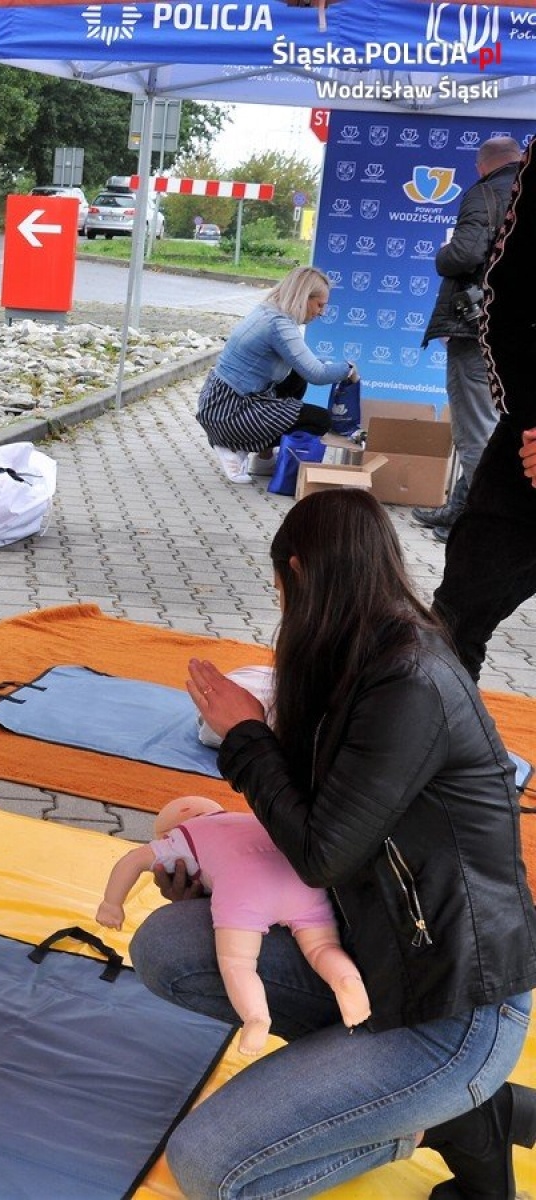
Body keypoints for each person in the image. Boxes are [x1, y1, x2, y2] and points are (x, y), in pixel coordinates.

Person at [129, 489, 536, 1199]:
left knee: (210, 1168)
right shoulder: (358, 662)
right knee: (169, 945)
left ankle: (417, 1114)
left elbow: (324, 853)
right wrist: (216, 872)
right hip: (372, 957)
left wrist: (245, 734)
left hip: (452, 1009)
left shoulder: (410, 679)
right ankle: (437, 1107)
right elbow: (309, 836)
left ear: (297, 573)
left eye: (279, 587)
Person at [98, 795, 370, 1059]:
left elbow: (131, 861)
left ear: (165, 833)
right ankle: (347, 982)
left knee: (238, 963)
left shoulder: (180, 837)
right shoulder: (251, 819)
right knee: (323, 947)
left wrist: (112, 904)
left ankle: (256, 1016)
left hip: (246, 895)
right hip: (302, 884)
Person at [435, 138, 536, 680]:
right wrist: (527, 420)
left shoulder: (483, 192)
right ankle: (441, 746)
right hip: (527, 455)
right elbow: (509, 300)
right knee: (452, 623)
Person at [414, 135, 523, 542]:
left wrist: (441, 254)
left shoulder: (484, 193)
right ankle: (460, 508)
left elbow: (463, 255)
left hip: (478, 329)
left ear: (483, 165)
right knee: (497, 426)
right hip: (518, 333)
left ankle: (483, 530)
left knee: (474, 429)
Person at [195, 266, 355, 484]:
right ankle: (233, 444)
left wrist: (331, 364)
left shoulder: (268, 310)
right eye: (320, 305)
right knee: (319, 421)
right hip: (229, 412)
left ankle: (263, 458)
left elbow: (303, 362)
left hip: (217, 400)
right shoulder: (279, 325)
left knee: (296, 378)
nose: (321, 312)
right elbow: (317, 374)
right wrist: (349, 369)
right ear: (303, 297)